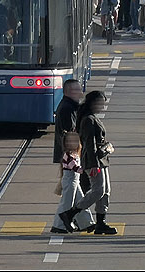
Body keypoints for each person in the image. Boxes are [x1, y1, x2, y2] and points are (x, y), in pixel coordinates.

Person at [60, 91, 118, 235]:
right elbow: (89, 144)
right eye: (100, 103)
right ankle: (70, 213)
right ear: (92, 103)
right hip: (94, 161)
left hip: (102, 160)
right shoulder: (88, 120)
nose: (102, 106)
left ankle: (100, 223)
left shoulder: (92, 118)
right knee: (98, 190)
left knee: (105, 191)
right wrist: (93, 165)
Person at [51, 131, 93, 234]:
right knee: (67, 204)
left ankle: (86, 223)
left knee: (80, 201)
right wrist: (85, 170)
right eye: (69, 142)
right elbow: (74, 167)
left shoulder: (75, 154)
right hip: (69, 181)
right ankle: (58, 226)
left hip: (75, 181)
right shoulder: (68, 155)